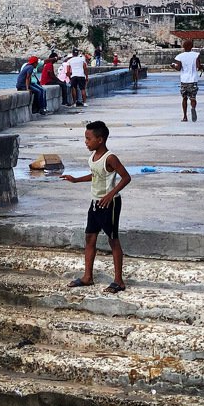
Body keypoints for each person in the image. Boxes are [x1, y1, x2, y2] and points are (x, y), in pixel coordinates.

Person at [61, 120, 132, 293]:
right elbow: (96, 175)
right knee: (90, 238)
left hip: (110, 204)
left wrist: (110, 194)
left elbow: (126, 177)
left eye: (88, 138)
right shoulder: (92, 158)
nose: (86, 141)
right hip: (95, 203)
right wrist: (76, 179)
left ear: (100, 139)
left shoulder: (111, 158)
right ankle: (87, 277)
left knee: (113, 240)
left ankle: (119, 281)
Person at [172, 39, 203, 122]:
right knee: (193, 98)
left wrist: (173, 66)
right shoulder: (196, 55)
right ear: (191, 47)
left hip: (184, 80)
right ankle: (193, 108)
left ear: (183, 47)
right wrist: (202, 67)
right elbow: (198, 66)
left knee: (184, 98)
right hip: (193, 80)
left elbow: (178, 68)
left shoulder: (179, 56)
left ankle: (185, 117)